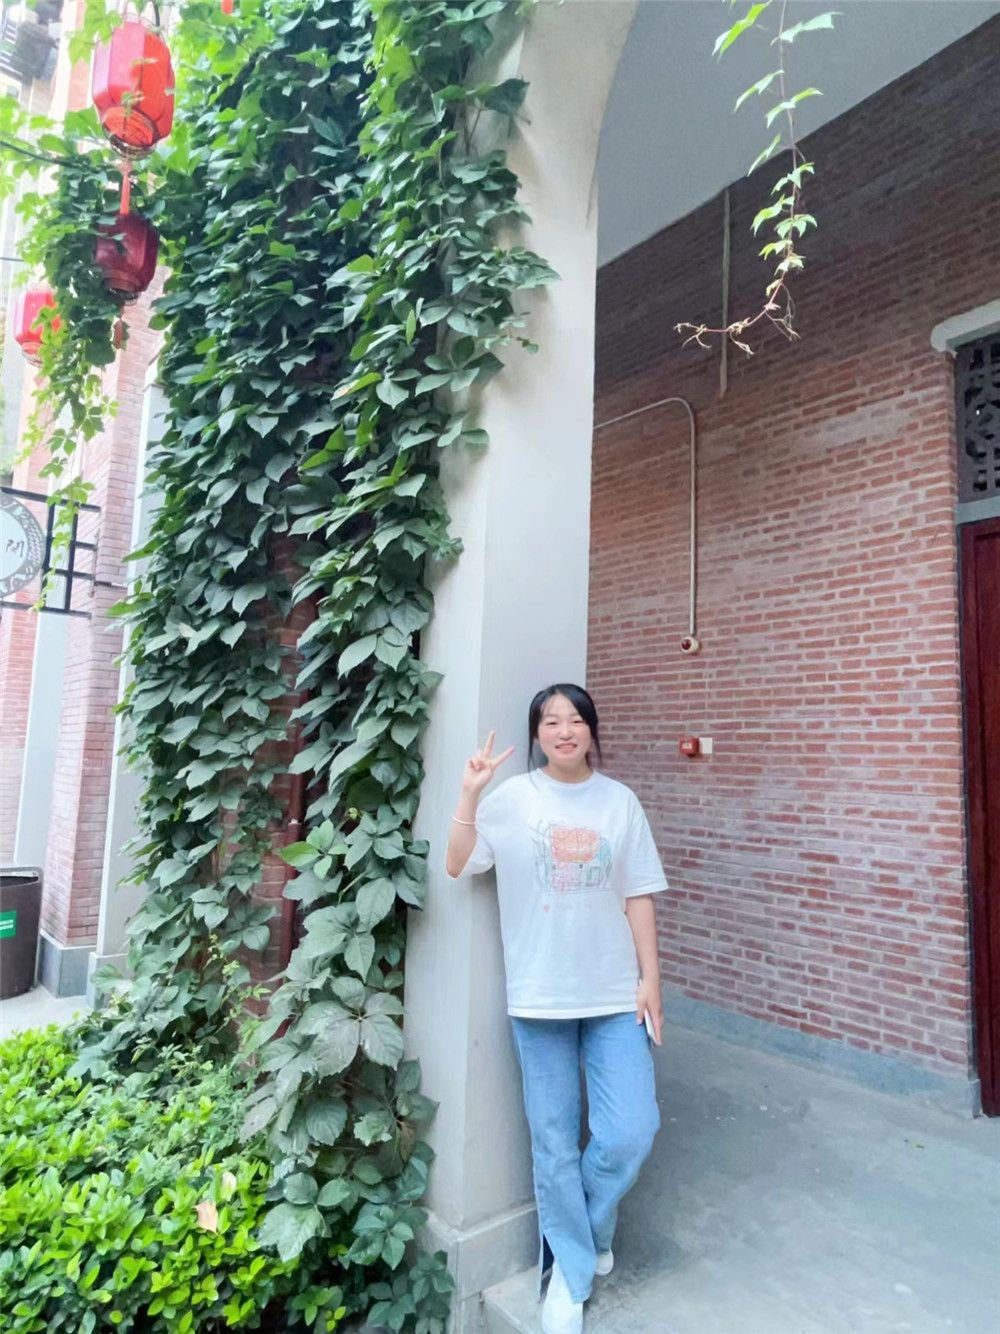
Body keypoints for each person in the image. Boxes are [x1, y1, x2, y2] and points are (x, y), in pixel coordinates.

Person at [445, 683, 667, 1334]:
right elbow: (459, 864)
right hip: (539, 995)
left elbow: (639, 893)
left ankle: (590, 1227)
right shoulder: (513, 799)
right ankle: (570, 1274)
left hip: (613, 992)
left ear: (592, 730)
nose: (564, 730)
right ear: (536, 734)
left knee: (631, 1131)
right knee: (553, 1142)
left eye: (575, 719)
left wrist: (651, 980)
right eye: (550, 721)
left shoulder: (620, 802)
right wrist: (469, 793)